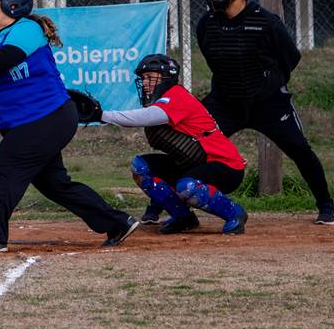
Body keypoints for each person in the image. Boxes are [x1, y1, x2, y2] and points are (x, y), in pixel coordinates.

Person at [0, 0, 138, 252]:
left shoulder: (28, 29)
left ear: (13, 6)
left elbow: (7, 58)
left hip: (48, 118)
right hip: (25, 123)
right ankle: (117, 222)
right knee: (55, 184)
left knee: (4, 167)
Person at [197, 0, 334, 225]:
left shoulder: (266, 21)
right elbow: (212, 58)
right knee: (191, 146)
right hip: (225, 101)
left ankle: (326, 205)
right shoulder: (206, 23)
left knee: (299, 149)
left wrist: (269, 84)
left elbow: (290, 58)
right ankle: (165, 206)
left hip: (268, 102)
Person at [97, 54, 248, 235]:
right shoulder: (163, 100)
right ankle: (184, 218)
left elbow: (145, 117)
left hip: (226, 166)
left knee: (187, 187)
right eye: (143, 78)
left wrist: (102, 115)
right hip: (197, 163)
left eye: (149, 77)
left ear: (165, 77)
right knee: (141, 166)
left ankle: (235, 213)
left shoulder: (177, 95)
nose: (145, 82)